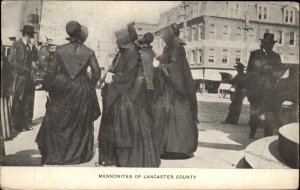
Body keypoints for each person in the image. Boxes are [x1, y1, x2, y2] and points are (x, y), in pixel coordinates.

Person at [35, 21, 101, 165]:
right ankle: (76, 154)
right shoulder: (89, 51)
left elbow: (51, 72)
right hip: (81, 87)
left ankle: (57, 153)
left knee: (58, 119)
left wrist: (48, 88)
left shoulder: (59, 50)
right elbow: (97, 73)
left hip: (62, 85)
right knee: (79, 120)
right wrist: (89, 85)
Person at [97, 23, 160, 167]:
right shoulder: (124, 51)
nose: (115, 41)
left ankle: (124, 159)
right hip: (121, 93)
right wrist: (111, 74)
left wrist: (113, 77)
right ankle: (113, 157)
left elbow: (131, 75)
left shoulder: (131, 51)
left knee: (124, 128)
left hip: (127, 97)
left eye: (117, 39)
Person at [152, 23, 198, 159]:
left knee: (173, 117)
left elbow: (175, 69)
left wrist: (159, 65)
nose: (163, 38)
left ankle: (176, 149)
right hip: (170, 89)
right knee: (169, 118)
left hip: (176, 91)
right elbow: (167, 60)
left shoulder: (177, 47)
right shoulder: (172, 46)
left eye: (164, 35)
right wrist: (158, 58)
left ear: (169, 35)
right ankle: (169, 148)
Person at [246, 33, 283, 139]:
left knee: (269, 115)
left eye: (271, 44)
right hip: (256, 90)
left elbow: (280, 71)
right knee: (254, 114)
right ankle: (252, 131)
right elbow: (249, 71)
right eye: (266, 43)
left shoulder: (276, 57)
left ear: (272, 45)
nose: (269, 45)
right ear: (262, 43)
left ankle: (268, 137)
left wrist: (274, 75)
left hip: (270, 91)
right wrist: (249, 87)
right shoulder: (254, 54)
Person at [9, 25, 35, 132]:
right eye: (30, 36)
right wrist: (21, 69)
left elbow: (32, 60)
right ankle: (15, 124)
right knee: (17, 100)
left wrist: (32, 48)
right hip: (19, 78)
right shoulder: (16, 44)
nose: (30, 39)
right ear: (26, 35)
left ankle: (23, 123)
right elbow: (12, 61)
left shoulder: (29, 47)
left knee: (26, 101)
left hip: (27, 79)